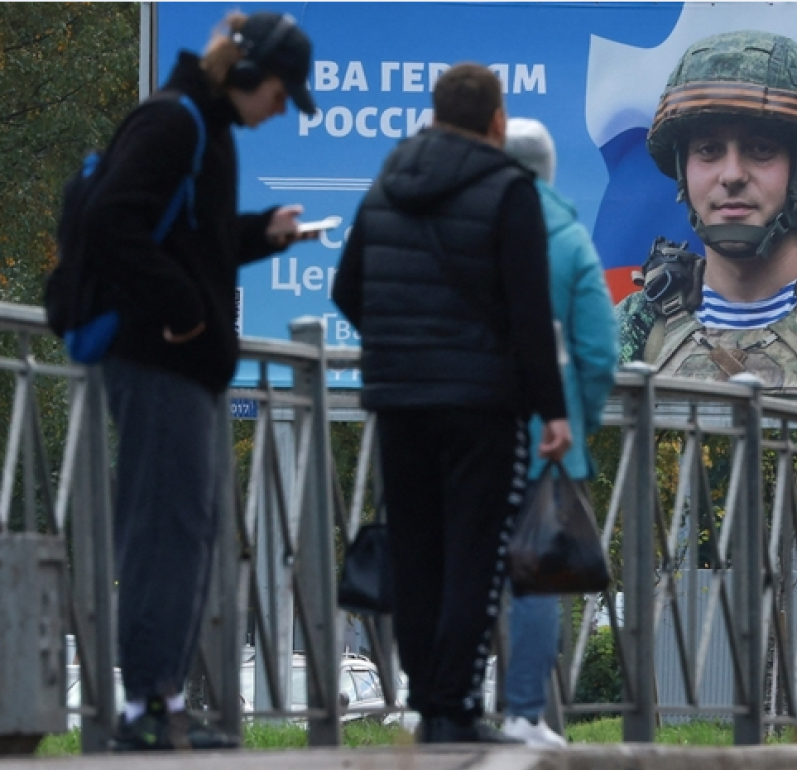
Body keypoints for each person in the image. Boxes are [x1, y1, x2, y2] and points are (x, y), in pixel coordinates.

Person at [81, 11, 320, 751]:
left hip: (177, 364)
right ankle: (146, 713)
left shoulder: (200, 125)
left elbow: (185, 237)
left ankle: (162, 705)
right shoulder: (176, 123)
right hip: (157, 361)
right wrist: (185, 313)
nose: (283, 108)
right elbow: (112, 225)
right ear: (253, 77)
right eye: (283, 93)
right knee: (163, 529)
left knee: (186, 529)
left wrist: (260, 235)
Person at [331, 63, 573, 744]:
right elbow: (530, 314)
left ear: (434, 116)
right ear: (496, 122)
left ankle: (423, 697)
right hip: (480, 405)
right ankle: (455, 707)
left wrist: (403, 344)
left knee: (416, 550)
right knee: (474, 553)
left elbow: (348, 289)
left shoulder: (385, 186)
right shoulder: (510, 191)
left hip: (397, 397)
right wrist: (552, 410)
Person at [615, 30, 797, 398]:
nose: (733, 174)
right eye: (709, 150)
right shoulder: (633, 326)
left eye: (761, 149)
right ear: (683, 173)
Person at [498, 117, 619, 747]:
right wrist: (583, 413)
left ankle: (436, 700)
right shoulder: (568, 238)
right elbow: (599, 347)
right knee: (536, 569)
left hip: (467, 419)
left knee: (459, 557)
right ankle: (522, 712)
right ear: (548, 171)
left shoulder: (467, 223)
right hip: (549, 431)